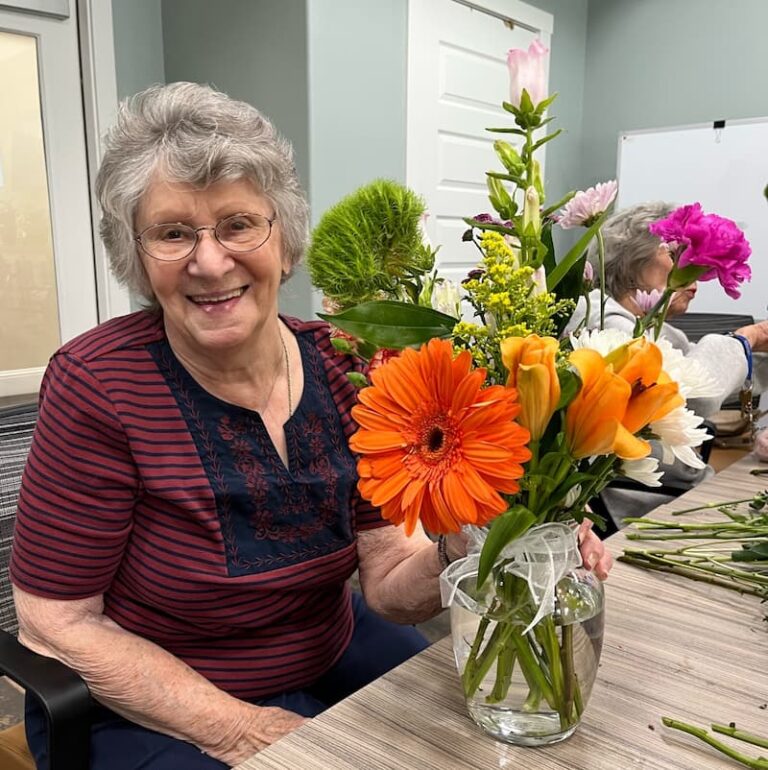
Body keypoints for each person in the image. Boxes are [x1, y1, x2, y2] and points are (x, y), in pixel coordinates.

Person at [10, 83, 611, 770]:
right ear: (137, 257)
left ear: (285, 239)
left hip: (330, 646)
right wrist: (240, 729)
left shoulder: (344, 363)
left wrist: (482, 541)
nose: (210, 262)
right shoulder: (99, 384)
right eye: (173, 233)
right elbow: (56, 624)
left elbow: (385, 580)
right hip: (153, 699)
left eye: (238, 225)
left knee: (483, 742)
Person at [566, 201, 768, 524]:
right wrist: (750, 336)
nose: (696, 271)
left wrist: (756, 353)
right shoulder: (600, 318)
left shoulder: (653, 327)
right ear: (633, 261)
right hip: (635, 514)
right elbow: (691, 393)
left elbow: (701, 371)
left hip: (670, 498)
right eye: (676, 255)